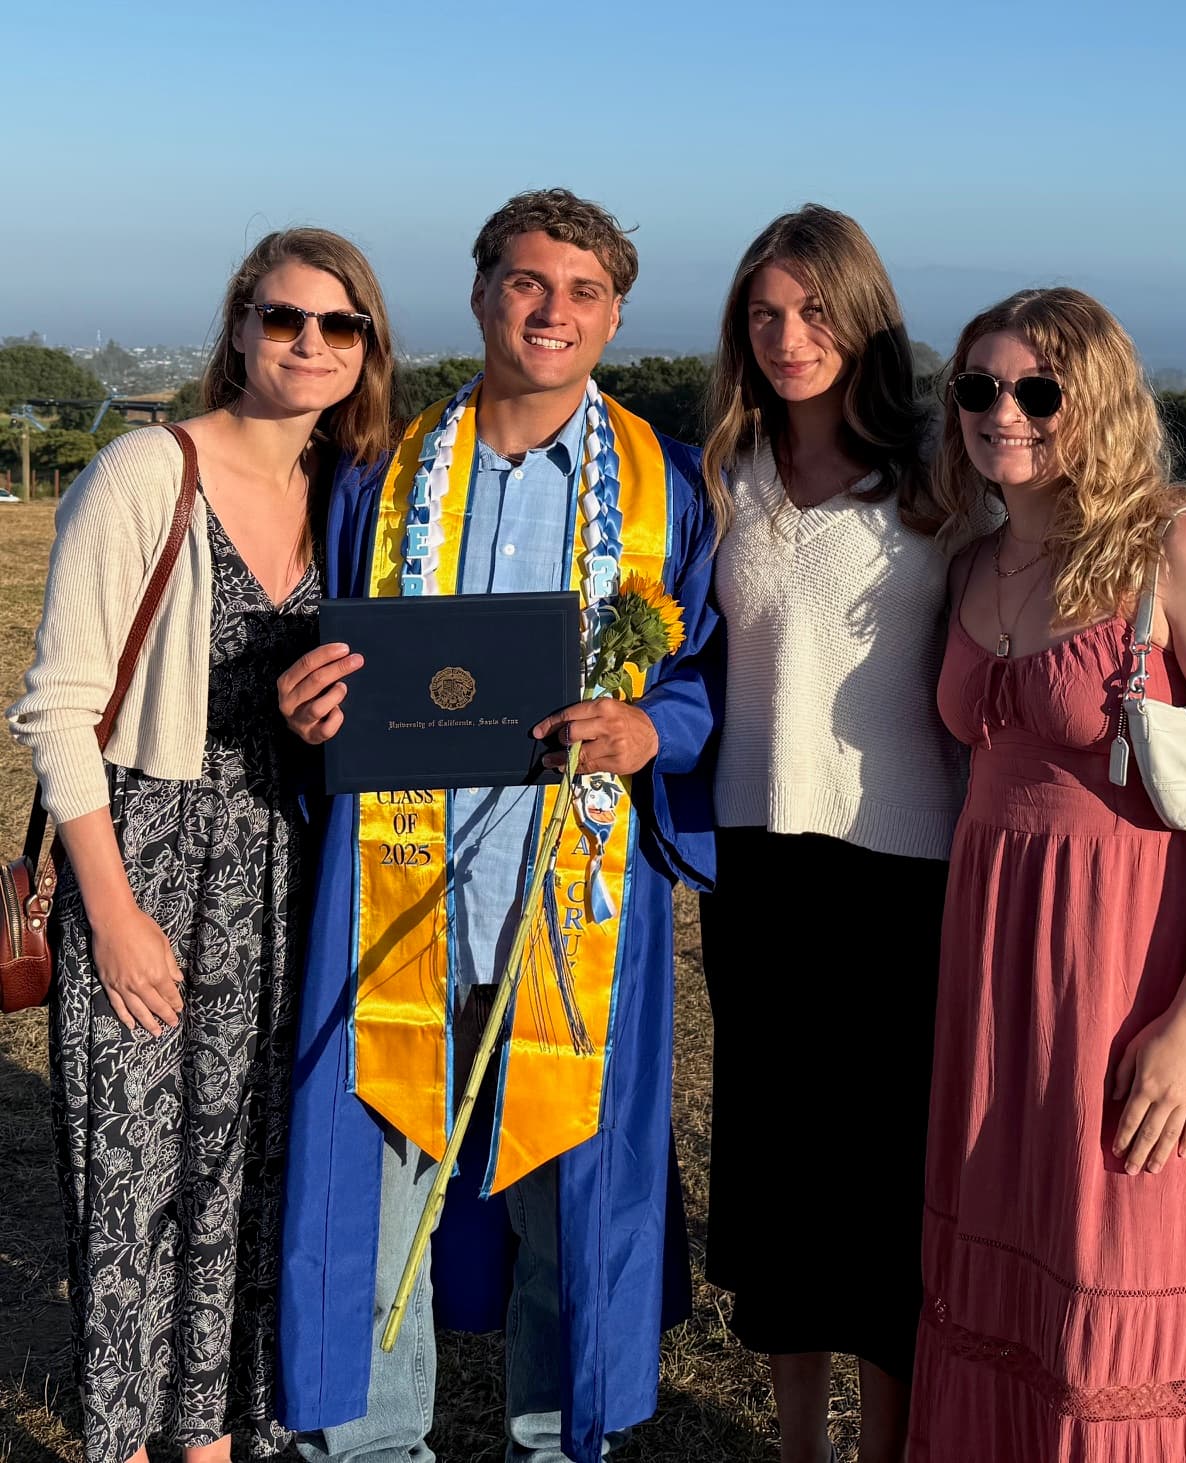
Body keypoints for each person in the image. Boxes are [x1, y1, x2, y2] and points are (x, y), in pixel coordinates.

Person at [272, 189, 720, 1463]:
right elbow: (328, 651)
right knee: (373, 1194)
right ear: (480, 295)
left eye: (583, 292)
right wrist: (309, 708)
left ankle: (551, 1441)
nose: (553, 311)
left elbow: (707, 680)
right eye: (528, 283)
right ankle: (367, 1445)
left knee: (568, 1204)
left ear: (618, 314)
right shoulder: (380, 474)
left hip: (572, 900)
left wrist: (654, 732)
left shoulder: (668, 488)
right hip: (396, 889)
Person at [908, 287, 1186, 1461]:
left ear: (1098, 404)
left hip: (1144, 976)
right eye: (980, 388)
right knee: (1014, 1294)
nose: (1006, 413)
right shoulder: (976, 559)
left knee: (1124, 1299)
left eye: (1039, 391)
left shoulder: (1179, 549)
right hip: (999, 980)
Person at [6, 228, 395, 1463]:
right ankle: (131, 1439)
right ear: (238, 326)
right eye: (286, 319)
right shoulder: (144, 470)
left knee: (247, 1168)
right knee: (132, 1179)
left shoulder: (347, 493)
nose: (312, 345)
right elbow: (60, 706)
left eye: (341, 328)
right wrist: (113, 913)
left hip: (286, 869)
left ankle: (220, 1431)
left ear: (367, 350)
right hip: (152, 852)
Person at [696, 204, 964, 1463]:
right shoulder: (719, 475)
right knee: (782, 1168)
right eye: (765, 312)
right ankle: (797, 1444)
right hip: (756, 864)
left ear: (866, 317)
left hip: (903, 869)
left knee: (880, 1185)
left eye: (814, 310)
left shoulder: (940, 474)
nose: (789, 336)